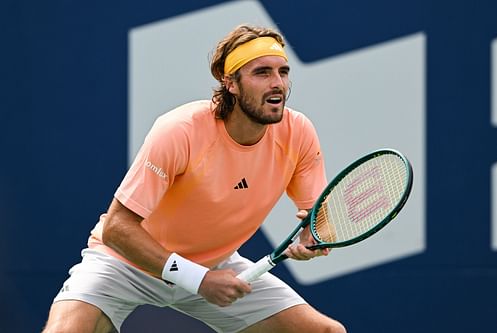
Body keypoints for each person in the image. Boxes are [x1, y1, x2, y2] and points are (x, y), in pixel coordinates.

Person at [43, 24, 347, 333]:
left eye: (283, 72)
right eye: (262, 73)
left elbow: (318, 217)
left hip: (214, 265)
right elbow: (117, 229)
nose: (278, 84)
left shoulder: (298, 132)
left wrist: (315, 237)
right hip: (126, 264)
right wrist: (195, 279)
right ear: (231, 83)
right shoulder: (181, 130)